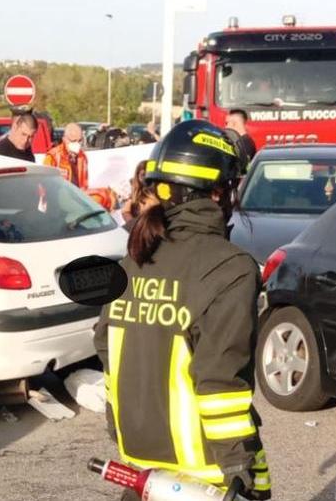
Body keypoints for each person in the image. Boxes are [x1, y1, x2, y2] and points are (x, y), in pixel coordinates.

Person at [94, 120, 272, 501]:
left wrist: (118, 425)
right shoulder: (231, 268)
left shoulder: (132, 262)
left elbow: (108, 351)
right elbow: (220, 380)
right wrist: (239, 468)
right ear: (218, 192)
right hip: (206, 471)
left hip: (140, 460)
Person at [43, 122, 88, 188]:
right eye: (73, 141)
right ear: (64, 139)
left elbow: (84, 185)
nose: (77, 144)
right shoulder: (53, 156)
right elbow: (44, 184)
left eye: (79, 141)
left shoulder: (82, 157)